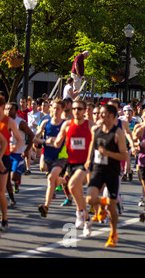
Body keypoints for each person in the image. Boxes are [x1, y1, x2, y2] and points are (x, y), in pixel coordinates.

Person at [85, 104, 128, 247]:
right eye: (99, 113)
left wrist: (107, 153)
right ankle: (103, 203)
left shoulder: (117, 133)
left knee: (112, 208)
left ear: (111, 115)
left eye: (103, 113)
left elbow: (124, 156)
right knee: (90, 199)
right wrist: (88, 159)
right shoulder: (95, 129)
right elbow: (92, 143)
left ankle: (113, 233)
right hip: (98, 169)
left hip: (112, 172)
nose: (99, 115)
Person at [54, 100, 94, 237]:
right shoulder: (66, 124)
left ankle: (79, 213)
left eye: (79, 109)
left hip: (85, 163)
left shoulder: (91, 125)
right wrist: (56, 142)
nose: (76, 111)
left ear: (84, 111)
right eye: (75, 108)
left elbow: (98, 140)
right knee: (75, 190)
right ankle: (87, 218)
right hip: (70, 162)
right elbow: (59, 139)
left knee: (71, 185)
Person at [36, 99, 68, 218]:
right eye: (53, 108)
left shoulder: (65, 124)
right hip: (48, 155)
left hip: (61, 156)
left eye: (58, 108)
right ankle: (64, 180)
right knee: (55, 180)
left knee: (50, 178)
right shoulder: (45, 123)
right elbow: (35, 138)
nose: (55, 110)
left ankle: (46, 206)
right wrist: (45, 141)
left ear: (62, 110)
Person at [0, 94, 22, 233]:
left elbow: (19, 139)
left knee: (1, 192)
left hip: (4, 157)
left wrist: (15, 147)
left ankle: (4, 218)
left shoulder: (9, 122)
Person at [5, 103, 34, 198]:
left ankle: (18, 177)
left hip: (18, 153)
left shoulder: (20, 123)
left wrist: (26, 150)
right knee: (6, 177)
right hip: (6, 153)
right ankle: (12, 198)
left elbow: (31, 135)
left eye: (11, 109)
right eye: (7, 109)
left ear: (16, 111)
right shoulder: (2, 121)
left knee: (14, 177)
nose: (9, 111)